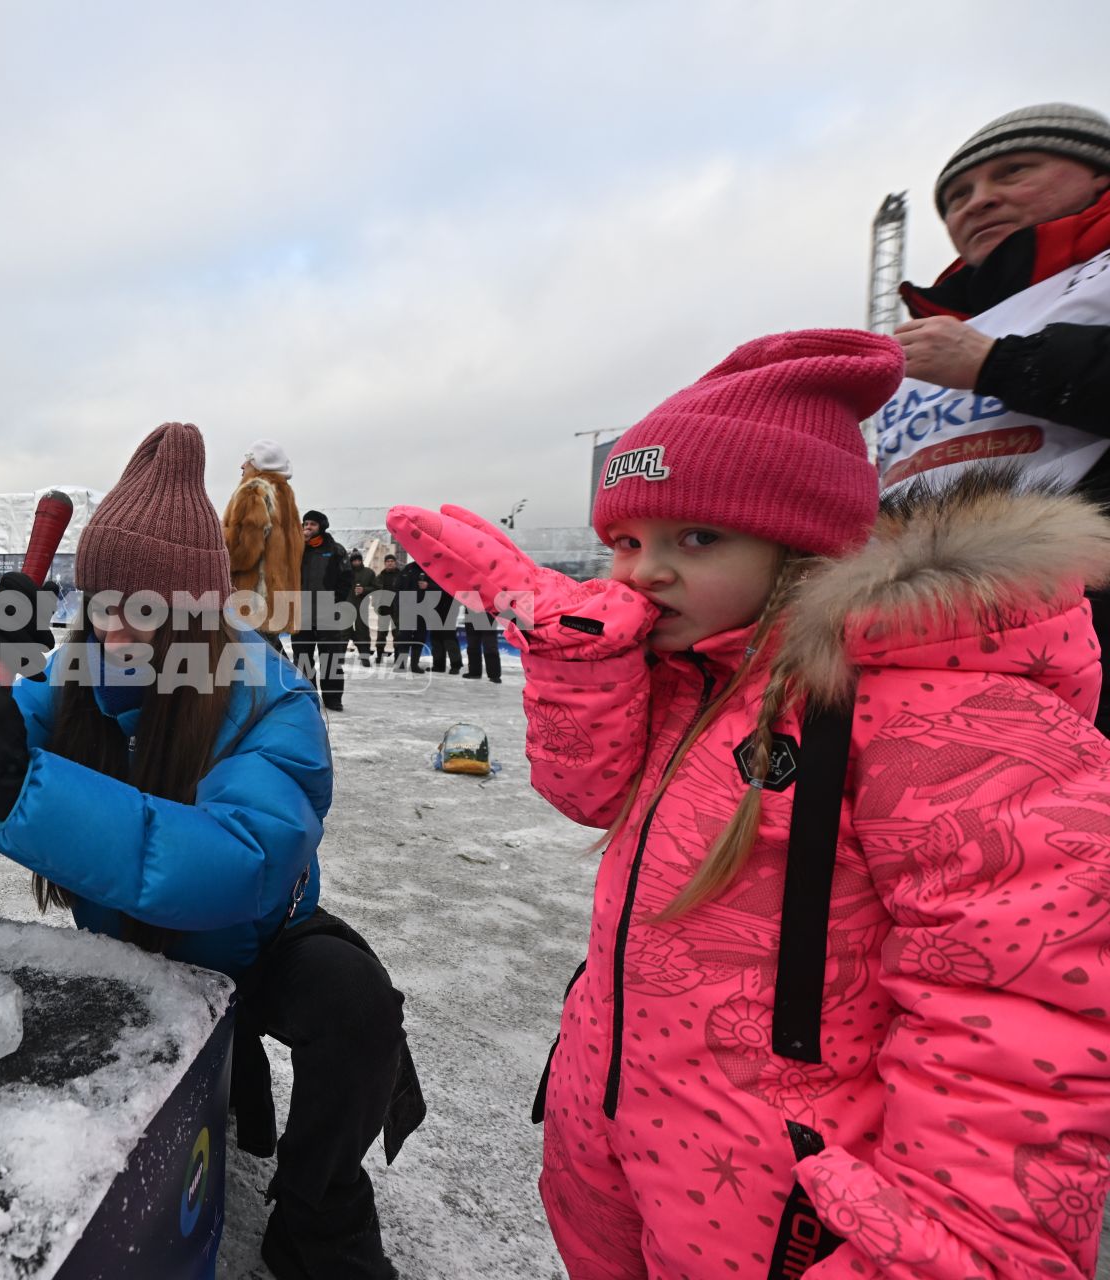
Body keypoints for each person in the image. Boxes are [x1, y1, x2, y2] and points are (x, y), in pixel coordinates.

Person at [392, 329, 1110, 1279]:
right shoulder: (691, 681)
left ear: (804, 538)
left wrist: (939, 1253)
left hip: (788, 1210)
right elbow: (587, 793)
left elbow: (1021, 1039)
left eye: (697, 538)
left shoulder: (956, 720)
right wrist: (581, 659)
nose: (643, 572)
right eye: (627, 543)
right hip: (621, 1143)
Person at [0, 423, 423, 1279]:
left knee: (355, 999)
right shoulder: (71, 685)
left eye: (152, 607)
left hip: (253, 945)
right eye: (103, 598)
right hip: (125, 953)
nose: (120, 625)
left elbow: (238, 862)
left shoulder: (269, 698)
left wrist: (25, 785)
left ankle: (319, 1210)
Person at [879, 103, 1110, 730]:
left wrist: (997, 365)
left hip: (1085, 644)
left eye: (1014, 172)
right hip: (935, 646)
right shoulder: (940, 327)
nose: (975, 203)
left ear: (1098, 177)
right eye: (956, 197)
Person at [222, 438, 304, 646]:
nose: (242, 466)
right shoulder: (285, 494)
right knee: (269, 658)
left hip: (251, 597)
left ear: (258, 463)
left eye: (247, 460)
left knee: (250, 664)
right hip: (276, 599)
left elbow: (244, 551)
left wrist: (221, 548)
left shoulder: (253, 489)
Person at [297, 510, 354, 711]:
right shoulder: (296, 550)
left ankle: (333, 699)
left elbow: (346, 579)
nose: (307, 527)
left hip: (327, 612)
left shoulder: (336, 550)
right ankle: (307, 699)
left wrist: (335, 602)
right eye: (305, 523)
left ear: (322, 526)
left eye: (312, 524)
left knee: (330, 657)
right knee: (302, 658)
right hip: (301, 612)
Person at [369, 555, 404, 666]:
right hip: (384, 609)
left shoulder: (401, 576)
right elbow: (375, 593)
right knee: (381, 635)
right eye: (387, 561)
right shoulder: (380, 577)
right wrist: (376, 606)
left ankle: (398, 658)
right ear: (385, 563)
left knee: (397, 635)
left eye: (392, 561)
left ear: (395, 562)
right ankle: (379, 656)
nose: (390, 563)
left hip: (397, 609)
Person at [346, 551, 378, 665]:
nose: (356, 562)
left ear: (361, 560)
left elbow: (376, 588)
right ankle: (338, 658)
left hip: (361, 606)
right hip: (346, 606)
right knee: (343, 632)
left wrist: (364, 590)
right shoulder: (345, 573)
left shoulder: (369, 573)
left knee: (362, 632)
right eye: (354, 560)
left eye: (358, 560)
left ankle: (365, 657)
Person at [460, 608, 502, 683]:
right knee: (472, 644)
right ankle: (474, 672)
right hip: (471, 611)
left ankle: (494, 675)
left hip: (488, 612)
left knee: (490, 644)